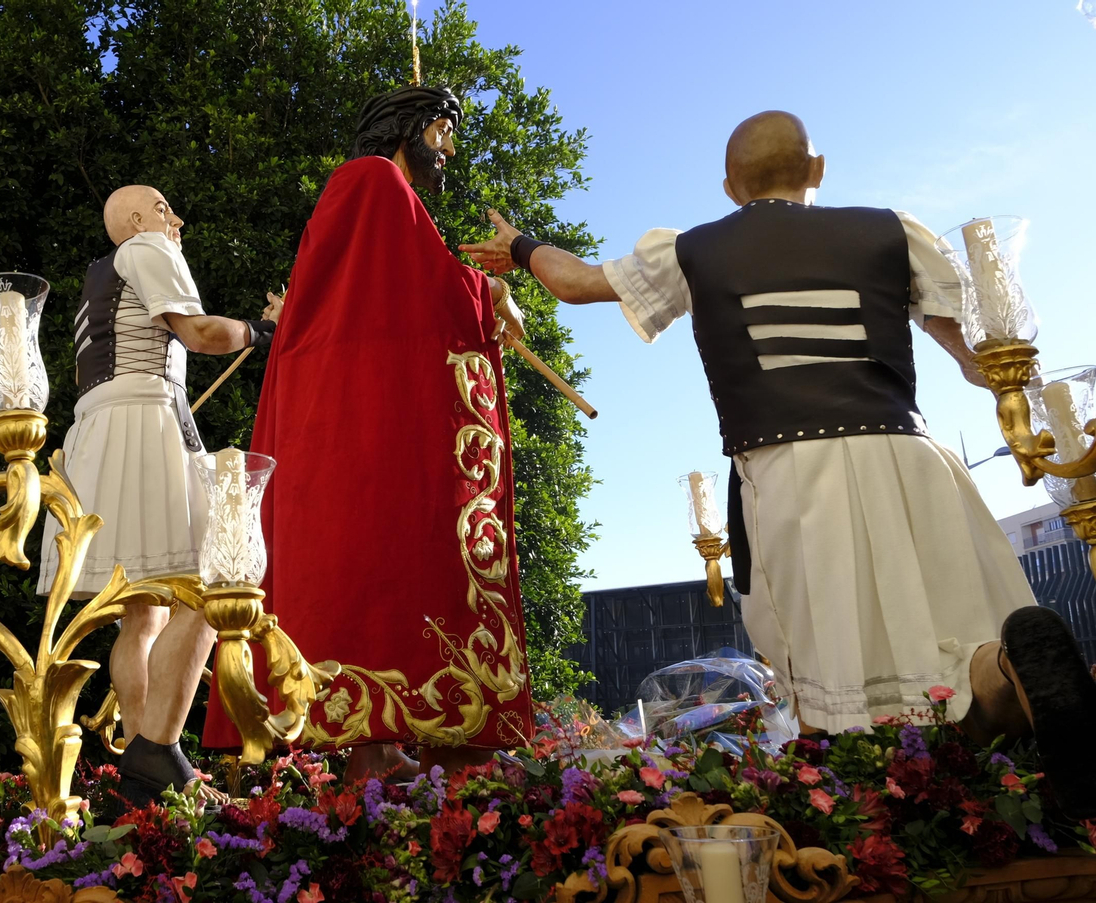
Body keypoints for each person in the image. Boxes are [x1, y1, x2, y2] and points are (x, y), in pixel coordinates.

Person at [461, 110, 1096, 816]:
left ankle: (868, 828)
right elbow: (980, 361)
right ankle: (1009, 665)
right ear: (817, 170)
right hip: (916, 460)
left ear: (730, 186)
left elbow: (574, 282)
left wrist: (519, 246)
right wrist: (1018, 382)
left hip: (791, 476)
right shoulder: (896, 232)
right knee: (958, 643)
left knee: (836, 679)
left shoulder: (691, 250)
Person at [202, 86, 534, 783]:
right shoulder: (374, 179)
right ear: (407, 129)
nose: (448, 151)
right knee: (394, 563)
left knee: (387, 570)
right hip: (355, 411)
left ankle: (379, 746)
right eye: (441, 132)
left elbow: (400, 290)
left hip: (343, 404)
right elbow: (417, 289)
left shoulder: (372, 193)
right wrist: (493, 293)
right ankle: (387, 749)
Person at [38, 184, 280, 805]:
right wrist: (261, 331)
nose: (178, 220)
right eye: (168, 208)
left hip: (97, 437)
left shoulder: (98, 278)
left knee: (141, 611)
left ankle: (146, 767)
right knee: (214, 587)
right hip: (145, 425)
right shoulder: (148, 247)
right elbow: (198, 332)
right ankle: (157, 747)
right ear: (141, 218)